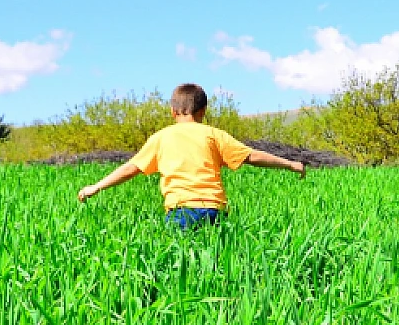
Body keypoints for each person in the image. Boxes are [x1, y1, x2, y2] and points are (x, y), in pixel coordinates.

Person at [76, 83, 304, 226]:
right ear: (203, 111)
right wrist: (291, 164)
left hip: (181, 210)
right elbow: (252, 156)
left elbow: (131, 168)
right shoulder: (214, 135)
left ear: (172, 111)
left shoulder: (161, 137)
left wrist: (96, 187)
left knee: (178, 272)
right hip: (214, 210)